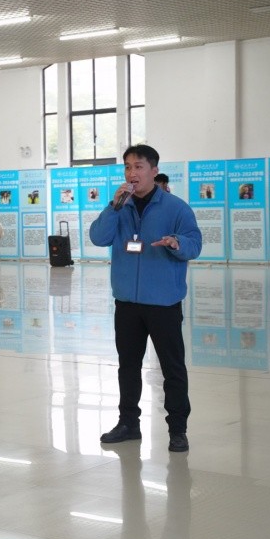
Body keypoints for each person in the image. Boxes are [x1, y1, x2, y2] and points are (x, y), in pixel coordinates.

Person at [90, 144, 202, 453]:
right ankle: (128, 423)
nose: (132, 173)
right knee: (128, 366)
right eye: (127, 167)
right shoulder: (120, 207)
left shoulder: (176, 208)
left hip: (163, 303)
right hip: (127, 302)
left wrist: (176, 242)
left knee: (172, 368)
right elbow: (98, 237)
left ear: (154, 171)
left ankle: (177, 429)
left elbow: (194, 244)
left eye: (138, 167)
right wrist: (113, 207)